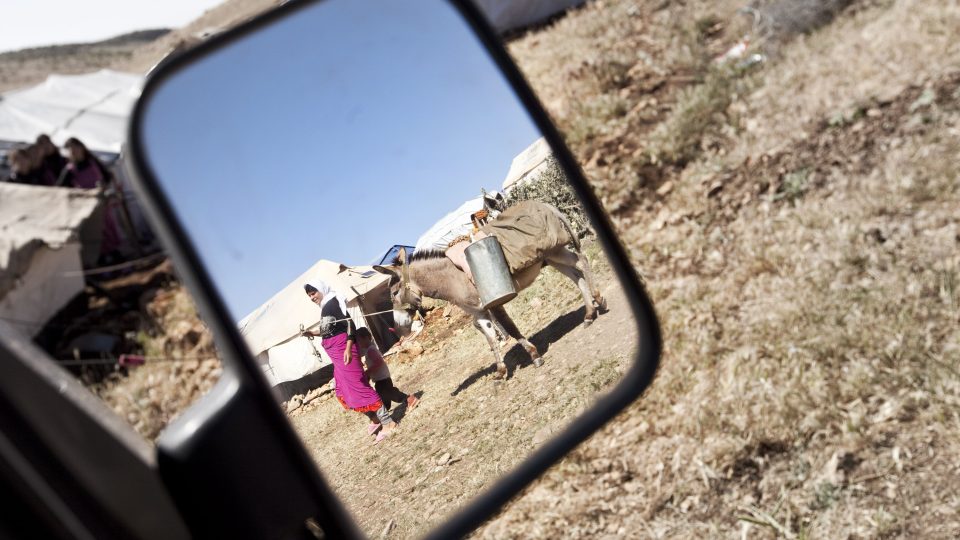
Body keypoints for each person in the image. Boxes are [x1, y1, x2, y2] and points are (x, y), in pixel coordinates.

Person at [302, 281, 397, 443]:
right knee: (343, 390)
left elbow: (349, 325)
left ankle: (388, 423)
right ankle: (375, 419)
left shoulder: (333, 303)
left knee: (359, 388)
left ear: (322, 290)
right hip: (337, 357)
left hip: (345, 353)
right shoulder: (326, 307)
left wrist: (348, 348)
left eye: (314, 293)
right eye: (309, 295)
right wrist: (311, 332)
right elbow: (329, 329)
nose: (312, 297)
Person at [354, 326, 419, 413]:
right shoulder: (370, 350)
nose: (359, 344)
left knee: (390, 393)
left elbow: (378, 363)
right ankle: (384, 410)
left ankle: (409, 399)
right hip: (381, 379)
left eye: (359, 341)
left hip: (382, 379)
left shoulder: (370, 350)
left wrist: (368, 372)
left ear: (366, 338)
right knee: (383, 396)